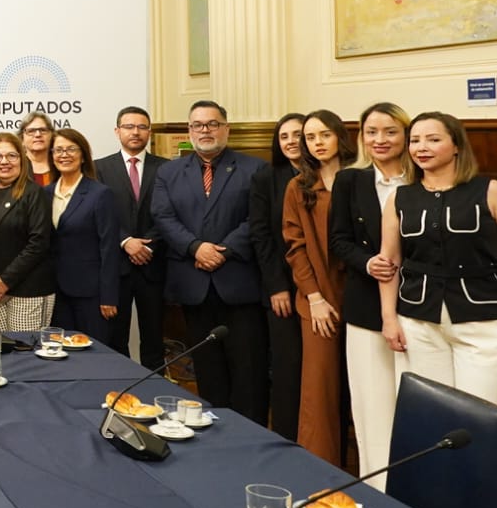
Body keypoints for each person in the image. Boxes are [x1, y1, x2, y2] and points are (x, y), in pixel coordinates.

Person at [380, 112, 497, 410]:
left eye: (433, 139)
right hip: (418, 320)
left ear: (456, 146)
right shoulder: (399, 198)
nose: (421, 147)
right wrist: (389, 318)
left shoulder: (489, 190)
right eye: (415, 140)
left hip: (485, 319)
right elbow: (388, 264)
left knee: (486, 414)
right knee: (431, 414)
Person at [152, 101, 268, 424]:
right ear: (189, 131)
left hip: (238, 284)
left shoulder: (254, 168)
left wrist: (224, 250)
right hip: (194, 284)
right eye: (198, 125)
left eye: (212, 124)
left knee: (248, 370)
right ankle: (216, 432)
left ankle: (250, 435)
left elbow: (256, 220)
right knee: (208, 370)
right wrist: (195, 247)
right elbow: (162, 216)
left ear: (226, 129)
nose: (205, 130)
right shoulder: (169, 172)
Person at [329, 101, 410, 484]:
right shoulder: (350, 180)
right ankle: (375, 486)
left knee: (414, 404)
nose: (380, 140)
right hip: (364, 306)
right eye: (371, 132)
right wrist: (367, 262)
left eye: (390, 131)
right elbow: (339, 241)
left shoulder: (423, 177)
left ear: (405, 134)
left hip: (417, 305)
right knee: (371, 403)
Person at [282, 109, 358, 466]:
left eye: (324, 135)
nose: (317, 143)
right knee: (320, 391)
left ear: (339, 137)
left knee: (364, 389)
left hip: (364, 296)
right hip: (318, 301)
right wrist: (314, 298)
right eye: (310, 138)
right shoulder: (298, 186)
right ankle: (319, 470)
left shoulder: (361, 179)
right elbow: (295, 247)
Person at [94, 106, 170, 368]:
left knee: (155, 339)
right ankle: (121, 393)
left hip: (154, 263)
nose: (135, 132)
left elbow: (172, 213)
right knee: (115, 338)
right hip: (117, 266)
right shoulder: (99, 168)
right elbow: (99, 215)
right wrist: (126, 241)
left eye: (142, 127)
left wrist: (149, 243)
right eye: (129, 127)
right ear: (117, 131)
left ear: (149, 131)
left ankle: (156, 392)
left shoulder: (168, 168)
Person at [249, 113, 306, 440]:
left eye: (298, 134)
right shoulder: (265, 178)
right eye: (284, 136)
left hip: (325, 290)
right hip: (282, 289)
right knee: (287, 367)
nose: (291, 142)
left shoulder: (334, 177)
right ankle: (287, 436)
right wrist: (277, 287)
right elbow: (261, 236)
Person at [0, 132, 54, 331]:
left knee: (24, 354)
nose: (4, 161)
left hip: (27, 290)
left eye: (12, 156)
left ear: (22, 159)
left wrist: (6, 280)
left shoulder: (34, 193)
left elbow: (39, 243)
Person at [47, 128, 120, 343]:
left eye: (71, 149)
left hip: (91, 293)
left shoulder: (100, 194)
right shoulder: (45, 193)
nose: (64, 155)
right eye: (58, 150)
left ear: (83, 155)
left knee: (93, 353)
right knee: (59, 352)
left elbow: (109, 248)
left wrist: (108, 296)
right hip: (55, 292)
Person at [19, 112, 55, 187]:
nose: (38, 134)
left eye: (43, 130)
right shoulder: (16, 166)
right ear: (22, 139)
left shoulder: (60, 163)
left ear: (51, 135)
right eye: (31, 131)